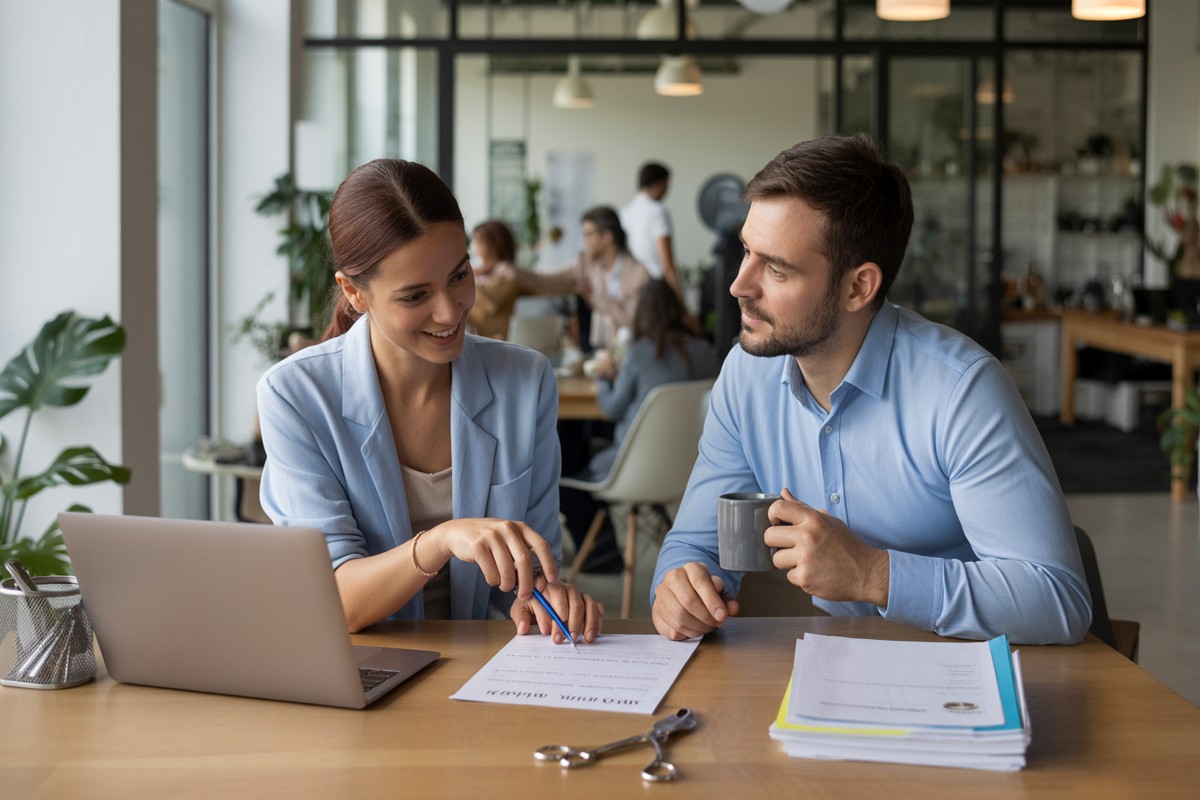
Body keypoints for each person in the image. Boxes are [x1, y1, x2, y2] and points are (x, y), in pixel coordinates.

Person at [650, 134, 1091, 646]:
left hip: (973, 672)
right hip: (839, 662)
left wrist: (872, 574)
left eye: (776, 268)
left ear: (858, 287)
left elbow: (1057, 598)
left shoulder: (961, 392)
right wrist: (679, 586)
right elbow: (694, 545)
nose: (738, 285)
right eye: (747, 251)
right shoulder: (746, 374)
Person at [256, 158, 604, 643]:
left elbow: (527, 576)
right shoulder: (294, 395)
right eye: (415, 295)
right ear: (354, 292)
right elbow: (335, 600)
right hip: (362, 667)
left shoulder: (525, 381)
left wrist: (547, 595)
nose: (450, 311)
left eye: (459, 276)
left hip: (480, 666)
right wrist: (440, 541)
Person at [561, 279, 715, 568]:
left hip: (632, 468)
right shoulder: (701, 350)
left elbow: (610, 409)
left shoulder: (638, 352)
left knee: (569, 456)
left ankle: (602, 555)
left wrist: (605, 377)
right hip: (687, 468)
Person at [517, 206, 650, 351]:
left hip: (631, 353)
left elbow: (633, 319)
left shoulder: (639, 274)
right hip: (598, 354)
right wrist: (512, 270)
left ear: (607, 237)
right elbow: (546, 281)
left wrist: (596, 299)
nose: (585, 241)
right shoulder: (587, 264)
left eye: (588, 234)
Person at [620, 162, 682, 299]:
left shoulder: (625, 212)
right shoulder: (657, 211)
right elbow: (667, 265)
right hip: (655, 288)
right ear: (661, 183)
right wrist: (681, 303)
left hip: (631, 286)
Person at [468, 219, 523, 340]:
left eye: (478, 242)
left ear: (494, 245)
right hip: (476, 339)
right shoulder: (482, 273)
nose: (475, 248)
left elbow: (490, 304)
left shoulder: (507, 275)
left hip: (495, 342)